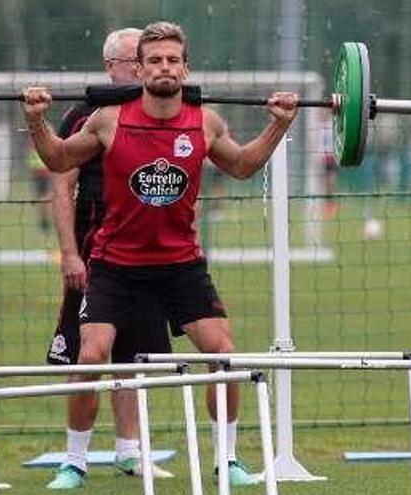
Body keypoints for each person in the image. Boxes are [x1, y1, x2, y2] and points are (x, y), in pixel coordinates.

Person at [22, 21, 299, 486]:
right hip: (115, 265)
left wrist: (278, 124)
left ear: (185, 67)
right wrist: (36, 119)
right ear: (141, 70)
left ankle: (227, 460)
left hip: (180, 266)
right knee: (92, 358)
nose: (164, 68)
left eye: (172, 60)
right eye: (154, 61)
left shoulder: (205, 121)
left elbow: (244, 166)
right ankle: (74, 462)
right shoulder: (110, 119)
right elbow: (59, 160)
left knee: (226, 355)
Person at [44, 28, 175, 489]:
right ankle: (74, 460)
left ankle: (129, 454)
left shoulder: (161, 112)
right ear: (110, 66)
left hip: (147, 254)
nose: (142, 69)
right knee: (88, 354)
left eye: (147, 60)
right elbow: (61, 184)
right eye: (132, 61)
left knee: (135, 357)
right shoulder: (85, 115)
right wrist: (68, 253)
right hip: (94, 252)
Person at [28, 144, 53, 232]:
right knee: (45, 198)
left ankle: (44, 220)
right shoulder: (37, 141)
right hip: (42, 174)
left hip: (41, 174)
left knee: (44, 198)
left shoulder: (33, 141)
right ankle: (45, 220)